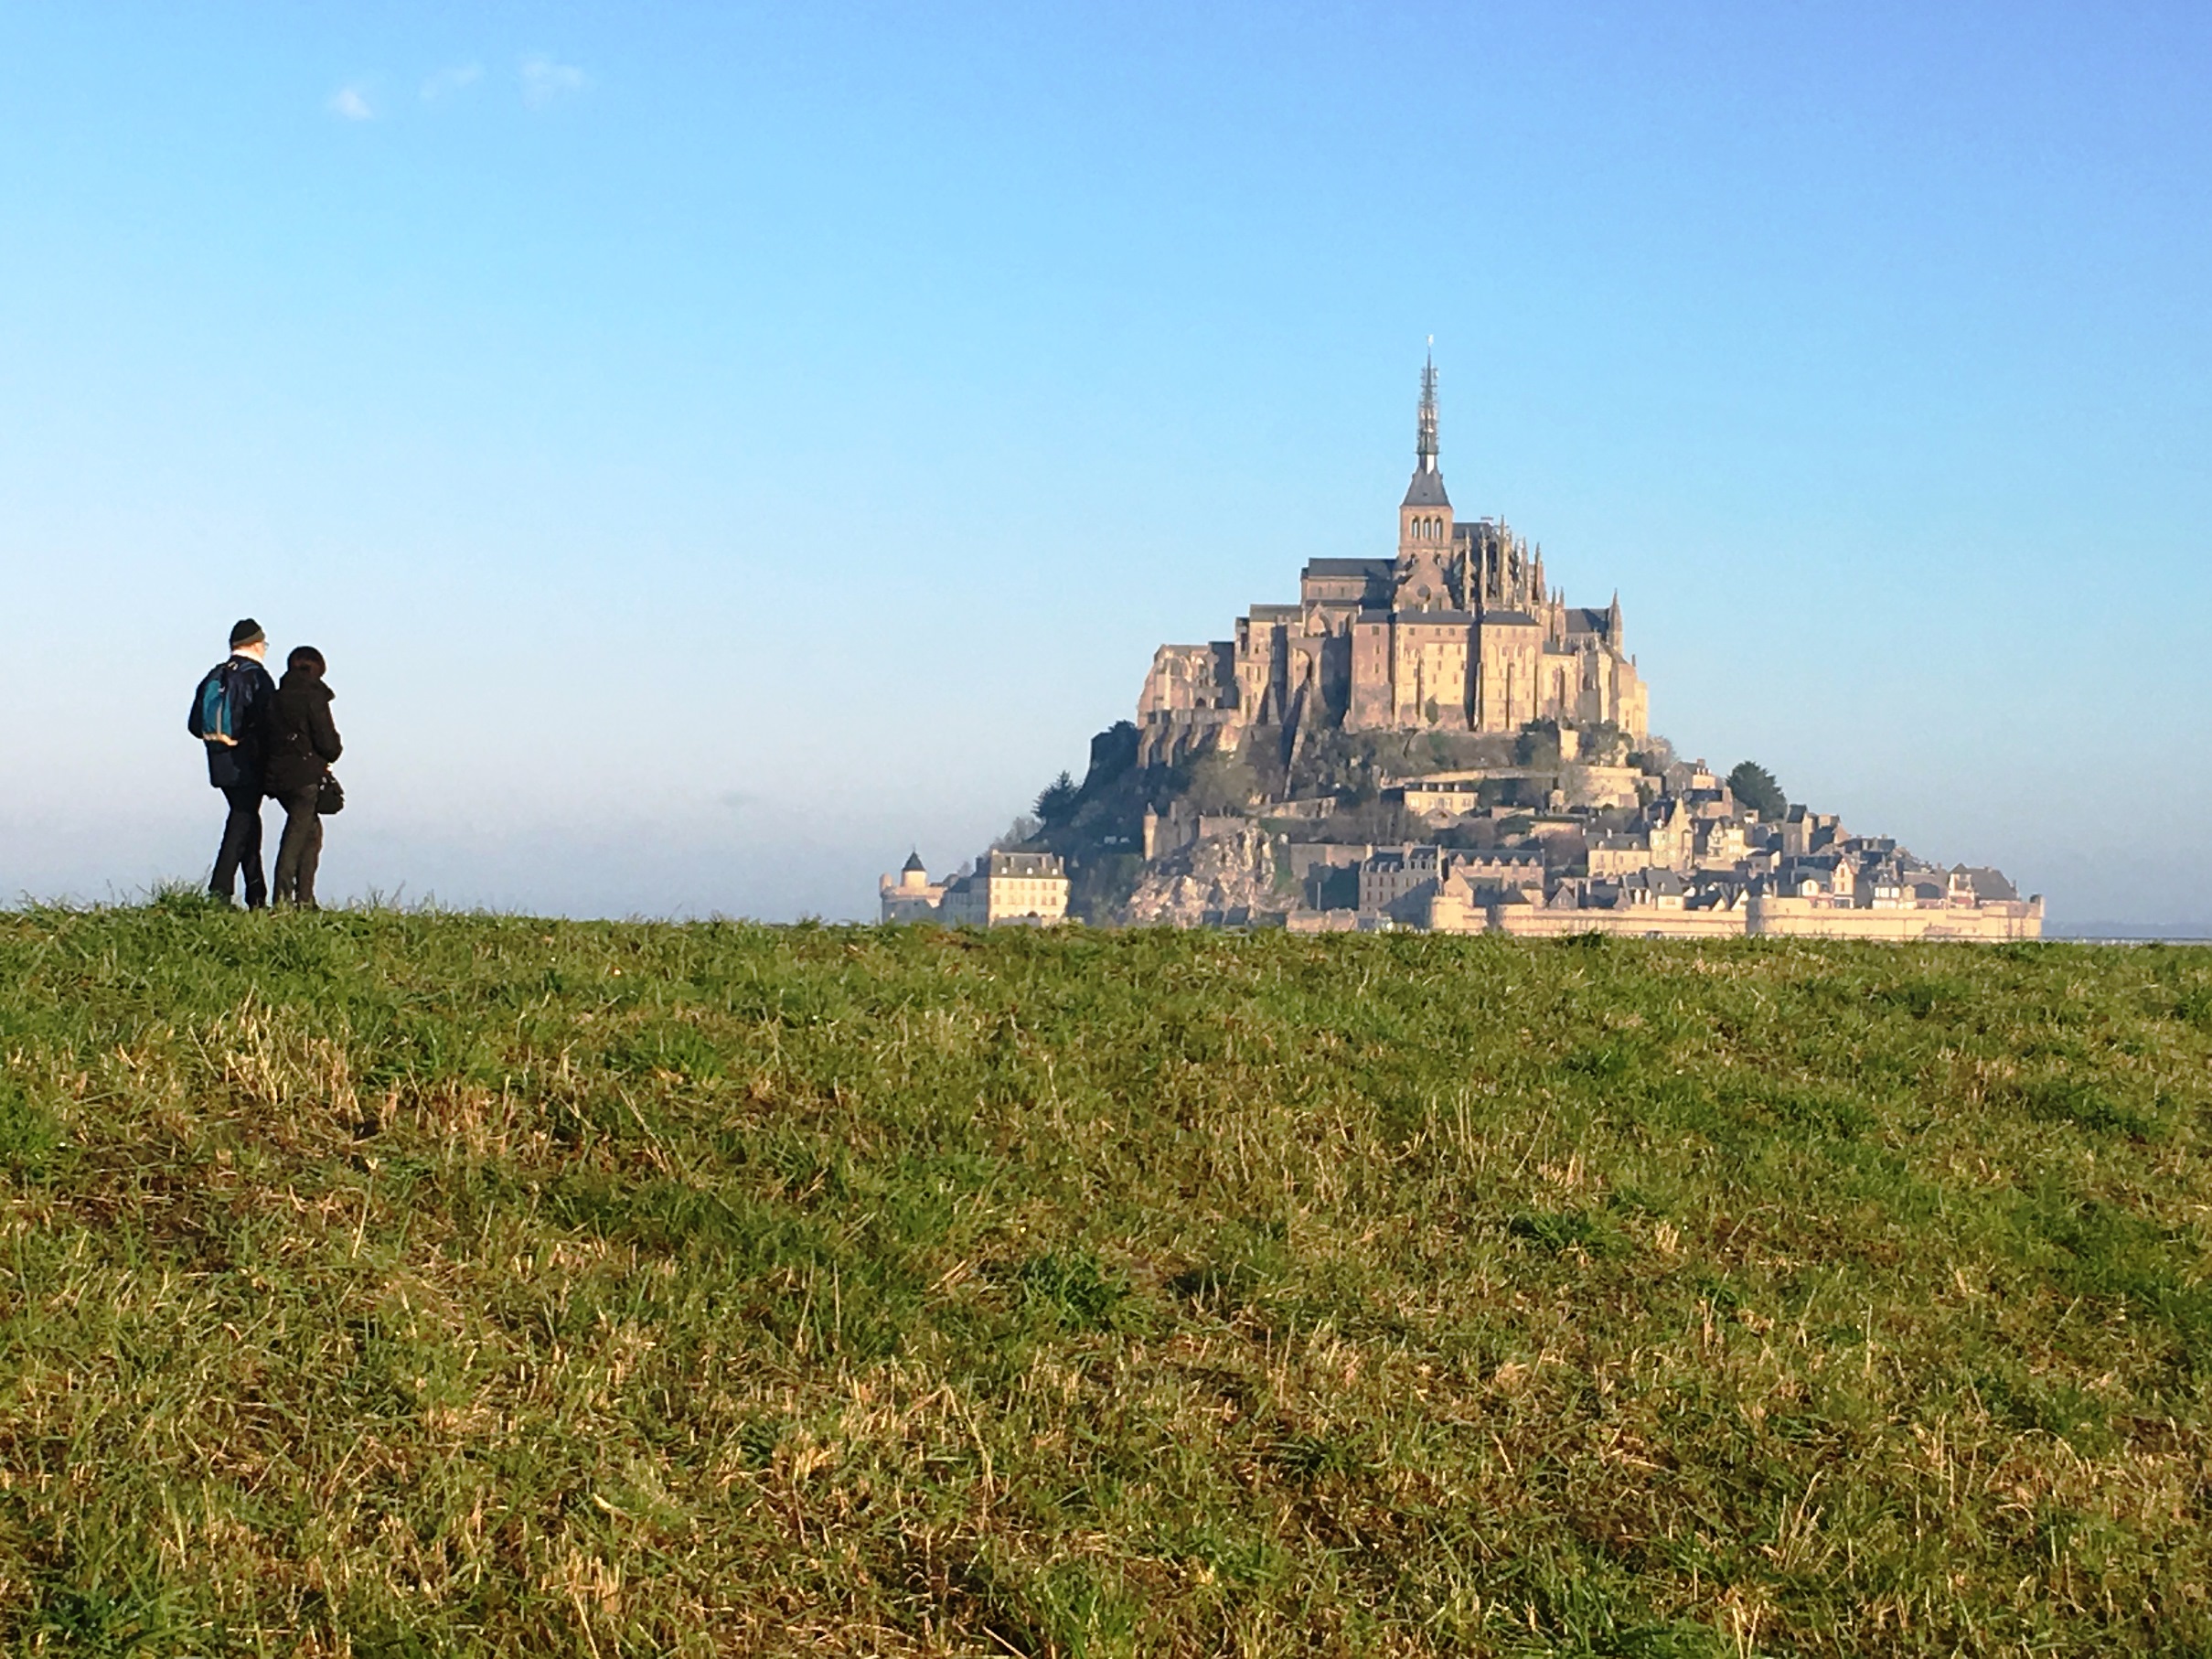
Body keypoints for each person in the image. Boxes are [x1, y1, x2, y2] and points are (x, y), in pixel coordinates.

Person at [187, 618, 277, 908]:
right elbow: (268, 722)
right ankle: (220, 889)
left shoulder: (215, 675)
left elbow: (193, 724)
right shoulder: (257, 677)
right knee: (242, 821)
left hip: (218, 761)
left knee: (247, 820)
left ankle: (257, 896)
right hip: (248, 761)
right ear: (255, 644)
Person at [262, 645, 343, 910]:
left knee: (310, 831)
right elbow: (328, 742)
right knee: (298, 835)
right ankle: (286, 900)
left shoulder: (275, 697)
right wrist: (332, 751)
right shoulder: (313, 696)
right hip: (305, 776)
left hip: (277, 776)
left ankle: (305, 898)